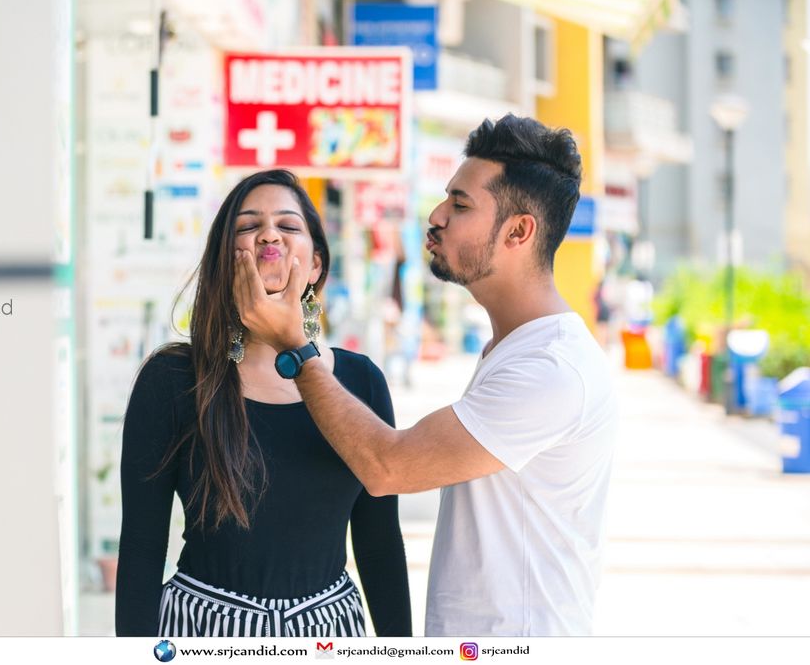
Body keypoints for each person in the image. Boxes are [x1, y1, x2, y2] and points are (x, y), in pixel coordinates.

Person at [233, 115, 619, 636]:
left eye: (461, 205)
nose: (436, 216)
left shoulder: (551, 370)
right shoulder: (512, 348)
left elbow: (388, 467)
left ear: (519, 231)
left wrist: (294, 347)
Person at [115, 169, 411, 637]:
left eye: (289, 226)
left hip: (330, 632)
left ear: (316, 264)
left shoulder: (362, 381)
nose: (269, 234)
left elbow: (379, 543)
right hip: (202, 628)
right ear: (224, 261)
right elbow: (141, 545)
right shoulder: (172, 380)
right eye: (248, 226)